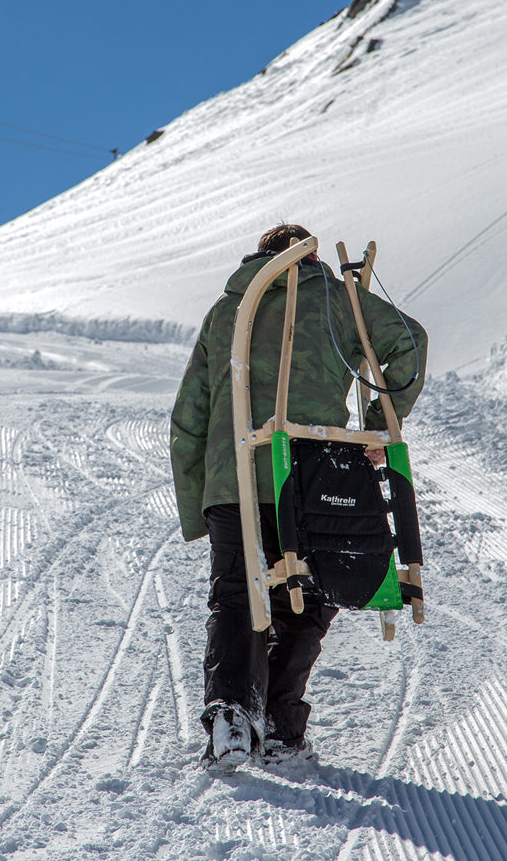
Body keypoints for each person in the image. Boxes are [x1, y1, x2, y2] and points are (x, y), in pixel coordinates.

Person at [170, 224, 427, 768]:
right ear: (310, 258)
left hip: (234, 480)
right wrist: (380, 422)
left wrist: (202, 505)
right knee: (310, 593)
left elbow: (189, 416)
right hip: (313, 475)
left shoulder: (227, 313)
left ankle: (233, 719)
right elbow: (408, 341)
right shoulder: (339, 300)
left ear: (258, 257)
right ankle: (282, 722)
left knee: (239, 596)